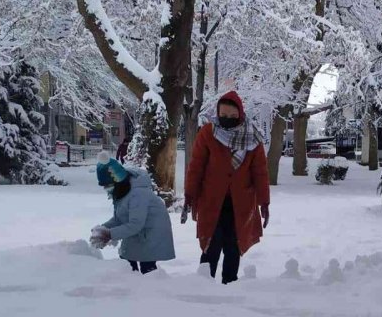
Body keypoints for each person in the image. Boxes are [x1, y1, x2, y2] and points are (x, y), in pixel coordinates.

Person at [185, 91, 270, 284]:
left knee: (234, 245)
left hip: (240, 204)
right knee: (211, 244)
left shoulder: (253, 137)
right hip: (211, 201)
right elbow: (196, 167)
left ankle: (230, 284)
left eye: (232, 116)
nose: (227, 119)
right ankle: (203, 283)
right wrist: (189, 195)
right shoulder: (208, 133)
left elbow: (260, 173)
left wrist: (264, 202)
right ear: (218, 113)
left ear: (240, 113)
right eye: (223, 115)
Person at [94, 151, 175, 274]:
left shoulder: (137, 194)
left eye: (108, 185)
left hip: (150, 235)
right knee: (126, 264)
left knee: (146, 270)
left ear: (118, 180)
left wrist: (109, 234)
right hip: (139, 234)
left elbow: (135, 224)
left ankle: (150, 286)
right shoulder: (123, 193)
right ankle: (131, 283)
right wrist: (103, 229)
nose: (106, 189)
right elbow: (119, 219)